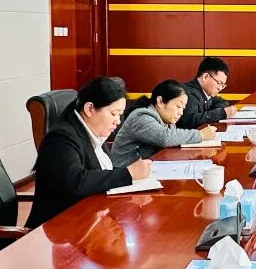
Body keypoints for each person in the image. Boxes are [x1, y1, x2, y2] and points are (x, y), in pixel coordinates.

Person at [27, 76, 151, 228]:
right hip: (60, 227)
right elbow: (75, 181)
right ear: (89, 109)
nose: (118, 121)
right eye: (113, 114)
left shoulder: (94, 134)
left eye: (120, 114)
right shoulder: (61, 138)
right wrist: (128, 174)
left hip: (87, 218)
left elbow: (100, 172)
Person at [110, 79, 217, 167]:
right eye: (178, 106)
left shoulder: (166, 120)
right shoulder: (141, 116)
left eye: (183, 108)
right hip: (123, 175)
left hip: (144, 171)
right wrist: (201, 134)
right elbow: (164, 138)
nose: (181, 112)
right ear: (160, 101)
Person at [179, 57, 236, 129]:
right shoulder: (190, 94)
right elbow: (190, 120)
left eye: (223, 85)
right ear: (205, 77)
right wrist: (221, 113)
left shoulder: (207, 92)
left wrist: (213, 113)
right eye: (219, 83)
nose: (220, 88)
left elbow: (223, 102)